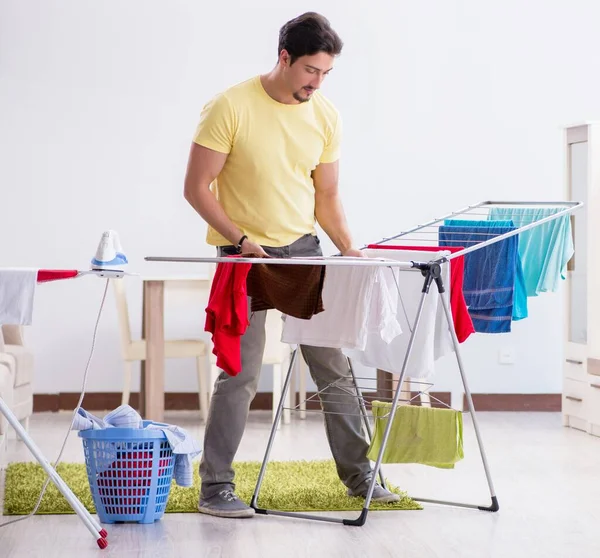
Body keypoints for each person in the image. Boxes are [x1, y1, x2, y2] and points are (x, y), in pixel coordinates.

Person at [184, 11, 400, 519]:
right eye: (310, 71)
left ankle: (360, 476)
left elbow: (326, 194)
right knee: (240, 371)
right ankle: (215, 486)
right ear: (284, 58)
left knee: (332, 364)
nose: (316, 83)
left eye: (325, 73)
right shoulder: (229, 106)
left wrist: (349, 248)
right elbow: (196, 188)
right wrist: (240, 239)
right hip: (245, 257)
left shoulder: (325, 115)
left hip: (303, 251)